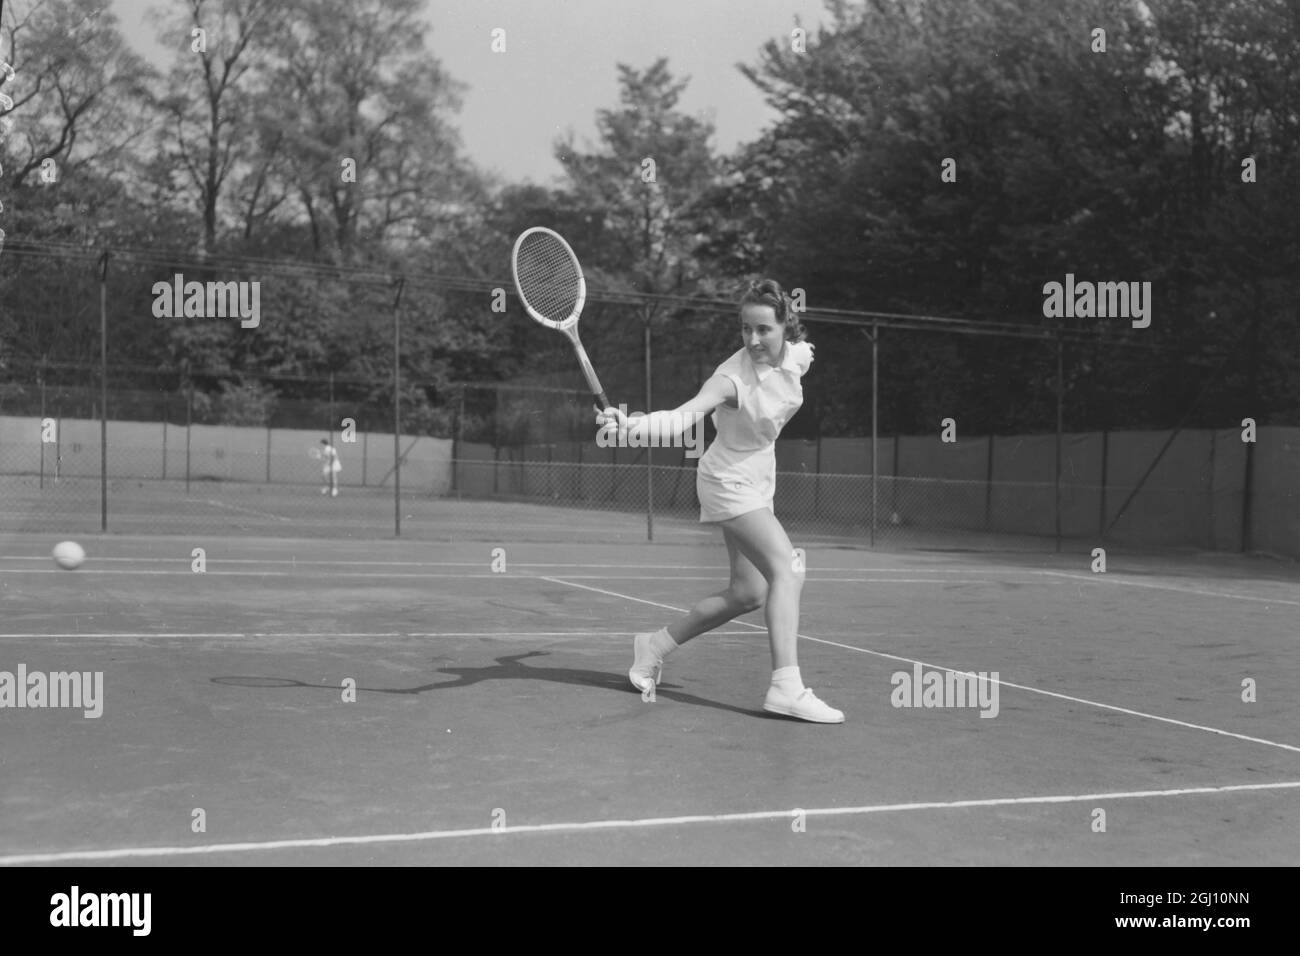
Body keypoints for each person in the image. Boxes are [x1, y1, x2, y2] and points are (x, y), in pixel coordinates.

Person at [595, 279, 844, 723]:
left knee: (748, 593)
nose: (753, 340)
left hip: (758, 480)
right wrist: (630, 424)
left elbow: (803, 355)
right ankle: (786, 687)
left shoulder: (797, 355)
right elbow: (682, 418)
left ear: (786, 325)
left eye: (764, 329)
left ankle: (653, 646)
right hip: (727, 480)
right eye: (745, 329)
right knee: (789, 569)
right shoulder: (731, 379)